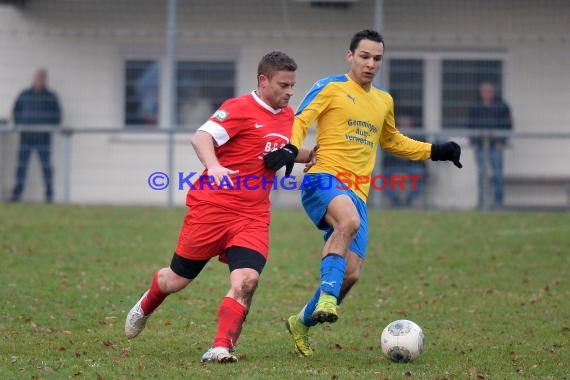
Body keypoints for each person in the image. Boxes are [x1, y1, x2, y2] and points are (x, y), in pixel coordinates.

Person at [270, 30, 462, 357]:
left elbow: (393, 141)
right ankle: (327, 298)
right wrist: (290, 147)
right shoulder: (331, 87)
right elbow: (301, 118)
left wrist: (436, 151)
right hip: (323, 177)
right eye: (364, 56)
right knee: (347, 222)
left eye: (377, 59)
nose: (370, 64)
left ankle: (301, 322)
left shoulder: (384, 100)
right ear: (350, 56)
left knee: (352, 273)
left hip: (358, 191)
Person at [124, 51, 298, 364]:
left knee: (247, 280)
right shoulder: (239, 108)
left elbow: (279, 149)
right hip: (212, 209)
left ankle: (220, 348)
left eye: (292, 85)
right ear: (263, 80)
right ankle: (146, 303)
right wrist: (214, 166)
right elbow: (201, 137)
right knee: (176, 280)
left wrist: (296, 153)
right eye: (283, 85)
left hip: (253, 216)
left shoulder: (287, 115)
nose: (289, 92)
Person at [10, 69, 61, 203]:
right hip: (26, 137)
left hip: (43, 139)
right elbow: (16, 111)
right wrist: (21, 124)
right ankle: (16, 196)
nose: (40, 81)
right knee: (22, 167)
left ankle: (49, 197)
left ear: (45, 80)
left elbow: (57, 116)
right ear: (34, 79)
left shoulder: (51, 97)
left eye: (42, 78)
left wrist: (46, 127)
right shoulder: (24, 95)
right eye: (38, 78)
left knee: (46, 168)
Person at [467, 81, 512, 208]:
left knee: (497, 174)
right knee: (482, 175)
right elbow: (470, 125)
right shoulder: (475, 106)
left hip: (495, 146)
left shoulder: (502, 106)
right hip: (480, 146)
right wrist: (473, 141)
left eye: (489, 91)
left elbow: (508, 125)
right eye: (484, 91)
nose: (487, 94)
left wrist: (502, 142)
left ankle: (498, 203)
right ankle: (482, 202)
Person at [382, 115, 428, 207]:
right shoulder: (391, 134)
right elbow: (385, 152)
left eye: (407, 121)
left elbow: (421, 153)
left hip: (412, 165)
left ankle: (409, 200)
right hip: (393, 165)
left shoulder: (418, 135)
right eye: (402, 121)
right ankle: (396, 201)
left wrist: (407, 154)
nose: (405, 124)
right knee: (382, 176)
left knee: (419, 173)